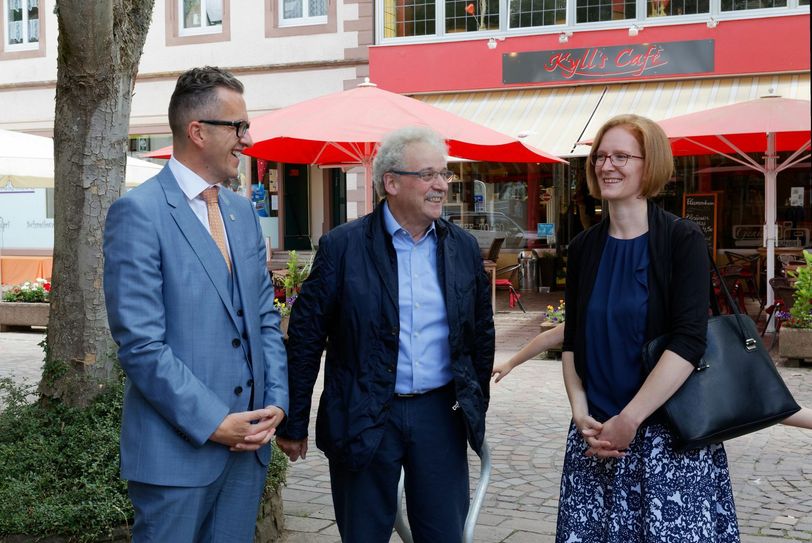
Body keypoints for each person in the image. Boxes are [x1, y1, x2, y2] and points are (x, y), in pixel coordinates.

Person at [275, 126, 495, 542]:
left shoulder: (462, 248)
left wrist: (474, 404)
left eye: (445, 175)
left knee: (444, 534)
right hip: (363, 412)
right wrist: (295, 420)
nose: (441, 186)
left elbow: (480, 335)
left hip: (439, 416)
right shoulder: (343, 247)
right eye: (429, 174)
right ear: (391, 183)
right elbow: (305, 336)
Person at [103, 66, 288, 541]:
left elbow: (265, 318)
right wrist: (213, 422)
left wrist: (276, 403)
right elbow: (141, 345)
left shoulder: (243, 213)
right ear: (197, 131)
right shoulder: (138, 214)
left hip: (249, 452)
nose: (247, 139)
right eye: (238, 126)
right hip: (175, 457)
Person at [559, 113, 737, 542]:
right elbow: (572, 342)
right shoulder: (584, 246)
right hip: (595, 440)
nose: (606, 166)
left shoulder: (681, 239)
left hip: (665, 441)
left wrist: (631, 419)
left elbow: (688, 341)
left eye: (621, 156)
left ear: (649, 164)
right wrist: (580, 413)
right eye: (600, 156)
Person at [491, 322, 812, 430]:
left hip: (671, 382)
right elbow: (554, 337)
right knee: (747, 407)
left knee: (748, 406)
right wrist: (512, 363)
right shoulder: (597, 306)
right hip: (646, 400)